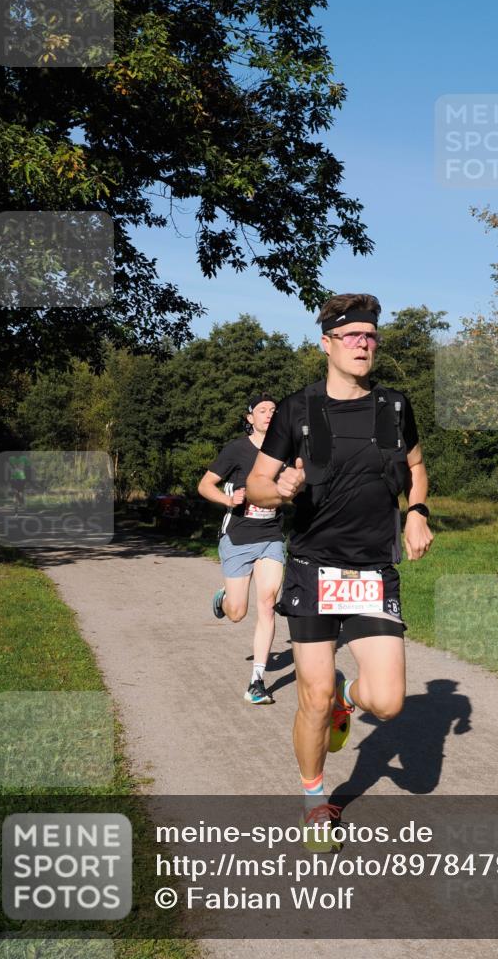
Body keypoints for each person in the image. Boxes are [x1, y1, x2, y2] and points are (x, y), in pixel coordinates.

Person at [246, 293, 434, 849]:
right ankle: (315, 802)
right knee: (312, 693)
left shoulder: (394, 407)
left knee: (389, 702)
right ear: (326, 344)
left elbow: (417, 467)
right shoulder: (297, 410)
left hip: (373, 570)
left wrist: (417, 512)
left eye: (370, 335)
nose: (363, 344)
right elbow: (257, 483)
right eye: (351, 335)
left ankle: (346, 699)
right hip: (313, 569)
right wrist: (279, 490)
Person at [198, 394, 286, 705]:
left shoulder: (285, 451)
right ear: (250, 418)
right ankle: (224, 598)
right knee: (237, 613)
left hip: (271, 535)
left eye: (273, 410)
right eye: (262, 410)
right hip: (238, 536)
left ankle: (256, 682)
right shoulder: (237, 449)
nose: (269, 414)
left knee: (268, 602)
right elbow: (204, 485)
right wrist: (228, 499)